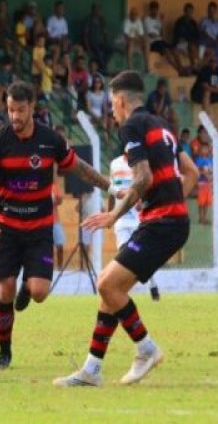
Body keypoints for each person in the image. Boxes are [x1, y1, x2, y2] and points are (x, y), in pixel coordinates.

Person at [54, 71, 198, 388]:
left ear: (119, 100)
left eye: (112, 103)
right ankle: (92, 369)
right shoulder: (163, 126)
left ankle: (146, 349)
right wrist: (173, 201)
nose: (112, 110)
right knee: (111, 290)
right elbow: (191, 171)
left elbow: (143, 177)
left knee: (106, 284)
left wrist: (114, 216)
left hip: (162, 223)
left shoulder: (131, 126)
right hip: (168, 221)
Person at [0, 81, 110, 370]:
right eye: (11, 109)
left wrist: (108, 187)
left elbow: (79, 167)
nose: (15, 116)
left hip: (39, 229)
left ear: (32, 108)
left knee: (39, 292)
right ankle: (4, 351)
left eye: (20, 110)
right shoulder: (0, 142)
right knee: (5, 291)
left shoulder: (50, 139)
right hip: (7, 228)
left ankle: (29, 285)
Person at [108, 153, 160, 300]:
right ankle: (122, 290)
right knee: (124, 253)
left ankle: (152, 284)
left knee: (140, 254)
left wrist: (142, 202)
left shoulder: (142, 163)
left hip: (139, 219)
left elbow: (147, 186)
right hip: (122, 218)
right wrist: (111, 213)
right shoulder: (115, 163)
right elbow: (112, 189)